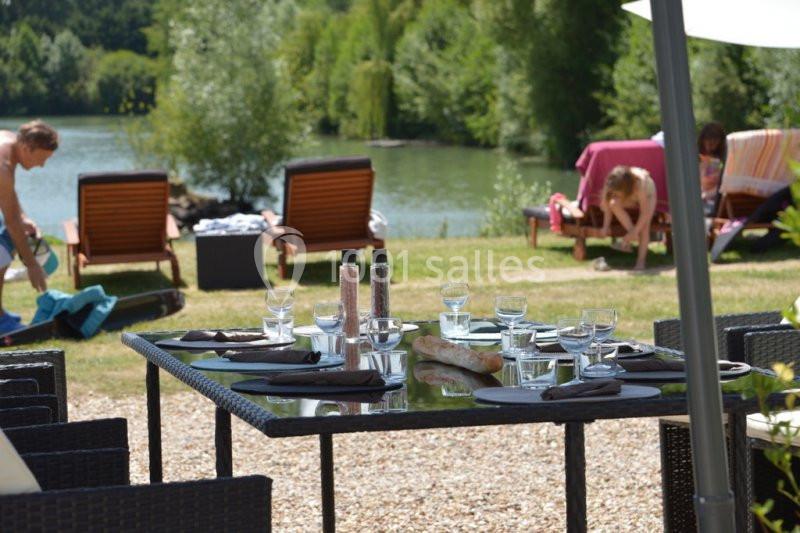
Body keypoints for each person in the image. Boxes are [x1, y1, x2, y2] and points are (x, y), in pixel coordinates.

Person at [0, 120, 58, 332]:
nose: (42, 165)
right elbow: (11, 223)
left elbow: (7, 193)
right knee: (5, 243)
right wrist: (33, 265)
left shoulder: (8, 140)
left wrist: (22, 216)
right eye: (42, 158)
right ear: (27, 148)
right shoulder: (3, 166)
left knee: (7, 238)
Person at [600, 165, 657, 271]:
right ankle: (631, 238)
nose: (614, 194)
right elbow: (608, 205)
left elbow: (644, 213)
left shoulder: (640, 184)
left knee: (644, 228)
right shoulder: (612, 182)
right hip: (630, 193)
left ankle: (641, 262)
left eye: (617, 193)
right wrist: (605, 227)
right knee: (614, 203)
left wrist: (635, 231)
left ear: (625, 189)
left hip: (648, 194)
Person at [698, 122, 726, 213]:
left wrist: (706, 195)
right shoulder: (697, 159)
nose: (711, 145)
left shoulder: (721, 161)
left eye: (715, 141)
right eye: (708, 140)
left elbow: (722, 185)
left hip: (714, 202)